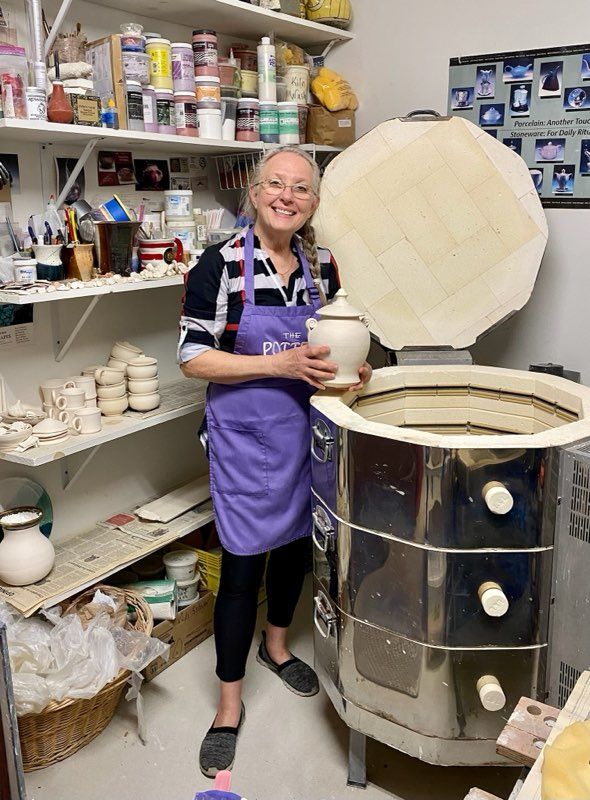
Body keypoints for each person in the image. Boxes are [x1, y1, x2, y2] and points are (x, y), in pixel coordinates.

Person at [178, 145, 371, 778]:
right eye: (276, 185)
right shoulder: (221, 267)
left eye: (302, 190)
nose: (288, 197)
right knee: (241, 567)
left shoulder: (322, 268)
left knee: (295, 550)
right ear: (256, 194)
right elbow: (192, 359)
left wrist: (355, 371)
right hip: (245, 440)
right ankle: (228, 705)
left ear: (313, 204)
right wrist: (277, 364)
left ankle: (278, 645)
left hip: (306, 434)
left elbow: (333, 350)